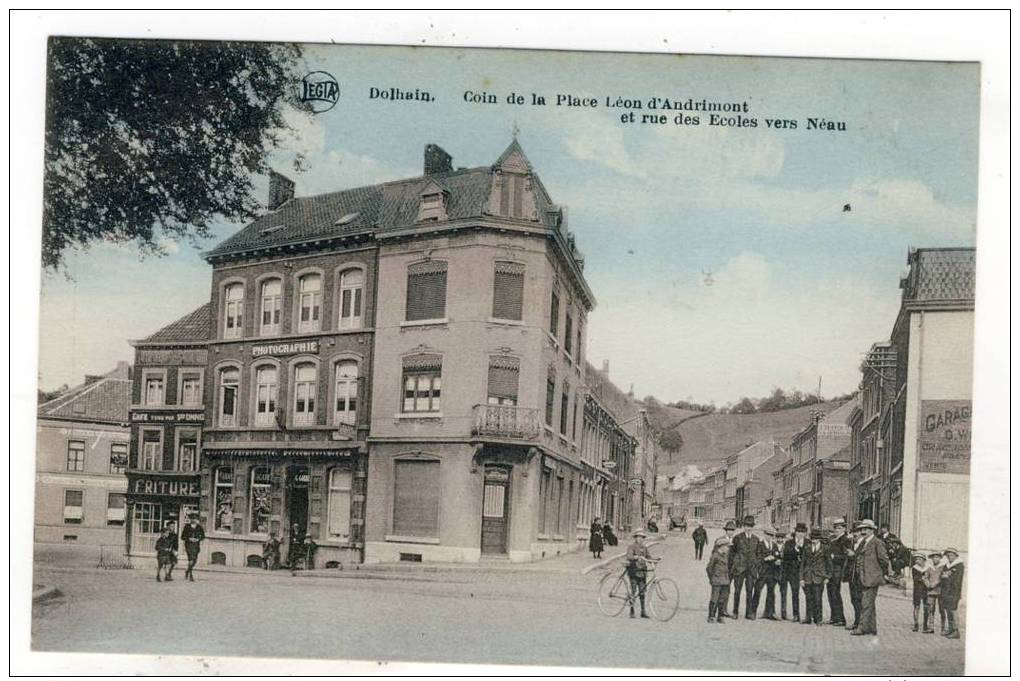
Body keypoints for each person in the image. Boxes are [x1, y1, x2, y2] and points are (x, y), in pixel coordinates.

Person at [850, 519, 891, 636]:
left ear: (872, 530)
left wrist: (879, 573)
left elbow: (884, 560)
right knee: (870, 604)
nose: (863, 531)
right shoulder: (863, 542)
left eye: (866, 529)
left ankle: (862, 628)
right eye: (862, 529)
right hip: (862, 577)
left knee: (866, 603)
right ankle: (872, 628)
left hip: (872, 578)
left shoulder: (877, 542)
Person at [731, 515, 763, 619]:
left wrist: (756, 565)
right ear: (744, 526)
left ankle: (748, 613)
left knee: (749, 591)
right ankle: (735, 612)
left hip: (751, 570)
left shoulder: (756, 539)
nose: (748, 528)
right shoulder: (737, 538)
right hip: (740, 569)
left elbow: (758, 554)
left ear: (752, 527)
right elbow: (733, 553)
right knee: (737, 591)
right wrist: (736, 564)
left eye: (750, 526)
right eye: (746, 526)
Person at [800, 528, 830, 625]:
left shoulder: (825, 548)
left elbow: (829, 564)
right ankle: (808, 618)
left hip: (819, 577)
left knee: (818, 598)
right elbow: (802, 564)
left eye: (816, 538)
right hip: (808, 576)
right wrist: (801, 578)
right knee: (808, 598)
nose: (814, 540)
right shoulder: (807, 548)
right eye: (812, 538)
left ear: (819, 539)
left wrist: (827, 577)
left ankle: (818, 619)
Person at [825, 517, 851, 626]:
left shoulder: (845, 540)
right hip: (831, 570)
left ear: (844, 529)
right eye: (835, 528)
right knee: (830, 593)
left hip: (838, 570)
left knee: (835, 593)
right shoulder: (833, 540)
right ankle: (834, 617)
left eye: (839, 528)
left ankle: (840, 618)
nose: (837, 530)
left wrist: (833, 556)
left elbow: (846, 555)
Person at [625, 529, 656, 619]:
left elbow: (649, 557)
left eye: (642, 537)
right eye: (639, 537)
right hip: (634, 570)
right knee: (633, 591)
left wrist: (656, 559)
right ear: (636, 538)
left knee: (642, 592)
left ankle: (643, 611)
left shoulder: (644, 548)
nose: (641, 539)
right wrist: (636, 557)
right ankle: (632, 611)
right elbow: (629, 556)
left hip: (642, 571)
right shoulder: (631, 546)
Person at [780, 522, 806, 621]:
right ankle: (788, 613)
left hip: (800, 571)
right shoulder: (789, 542)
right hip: (788, 571)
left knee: (796, 593)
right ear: (795, 532)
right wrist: (795, 548)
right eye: (798, 531)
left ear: (805, 533)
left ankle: (800, 614)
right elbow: (786, 554)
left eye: (802, 532)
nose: (800, 534)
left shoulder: (807, 542)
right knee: (786, 592)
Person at [756, 527, 783, 620]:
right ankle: (752, 611)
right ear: (764, 535)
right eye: (768, 535)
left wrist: (778, 560)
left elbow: (778, 556)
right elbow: (757, 557)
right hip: (762, 572)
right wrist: (765, 558)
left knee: (771, 592)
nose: (769, 537)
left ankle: (770, 612)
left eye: (771, 535)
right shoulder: (760, 544)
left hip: (772, 572)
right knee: (757, 591)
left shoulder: (774, 545)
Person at [706, 536, 732, 624]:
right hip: (717, 581)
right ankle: (711, 616)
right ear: (722, 546)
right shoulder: (715, 556)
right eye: (727, 547)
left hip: (725, 581)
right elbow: (709, 568)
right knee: (714, 599)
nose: (728, 549)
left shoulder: (726, 556)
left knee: (722, 599)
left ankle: (720, 616)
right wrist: (712, 579)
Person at [940, 548, 964, 639]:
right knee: (948, 610)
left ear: (956, 556)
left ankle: (956, 631)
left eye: (951, 555)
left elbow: (957, 580)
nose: (949, 557)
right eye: (948, 556)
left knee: (953, 611)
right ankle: (950, 629)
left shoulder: (959, 566)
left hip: (954, 592)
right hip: (946, 592)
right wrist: (945, 576)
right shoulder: (947, 565)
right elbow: (942, 575)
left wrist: (947, 577)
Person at [923, 551, 946, 634]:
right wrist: (928, 584)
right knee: (930, 609)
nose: (935, 559)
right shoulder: (929, 568)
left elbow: (942, 578)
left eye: (937, 557)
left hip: (940, 591)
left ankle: (943, 628)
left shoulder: (943, 567)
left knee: (942, 610)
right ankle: (931, 627)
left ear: (940, 558)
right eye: (934, 557)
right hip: (931, 591)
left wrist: (935, 583)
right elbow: (925, 577)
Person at [180, 514, 205, 582]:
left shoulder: (199, 527)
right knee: (191, 560)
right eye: (192, 518)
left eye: (195, 518)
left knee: (194, 561)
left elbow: (203, 536)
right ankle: (191, 575)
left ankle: (187, 571)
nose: (193, 520)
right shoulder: (187, 527)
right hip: (189, 545)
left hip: (196, 546)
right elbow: (182, 537)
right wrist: (189, 539)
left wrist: (198, 539)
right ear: (190, 519)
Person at [910, 552, 929, 632]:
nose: (918, 561)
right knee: (916, 606)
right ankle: (916, 624)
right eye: (916, 559)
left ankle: (925, 624)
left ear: (924, 560)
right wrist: (923, 578)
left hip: (926, 590)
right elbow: (916, 578)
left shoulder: (928, 568)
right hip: (917, 589)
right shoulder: (915, 568)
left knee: (926, 607)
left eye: (920, 559)